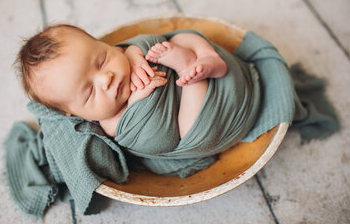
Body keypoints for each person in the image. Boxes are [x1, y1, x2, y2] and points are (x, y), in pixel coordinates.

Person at [16, 24, 228, 138]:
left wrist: (135, 55)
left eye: (101, 61)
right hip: (193, 112)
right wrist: (137, 99)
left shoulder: (120, 54)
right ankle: (190, 69)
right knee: (189, 130)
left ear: (102, 44)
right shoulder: (109, 123)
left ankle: (208, 56)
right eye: (90, 92)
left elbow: (128, 46)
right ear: (72, 112)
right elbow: (156, 138)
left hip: (181, 71)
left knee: (178, 38)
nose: (106, 78)